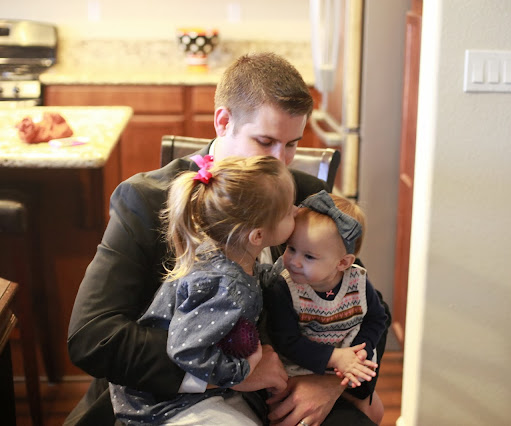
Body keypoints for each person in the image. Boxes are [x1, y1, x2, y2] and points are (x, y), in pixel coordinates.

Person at [65, 52, 390, 426]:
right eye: (265, 141)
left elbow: (364, 300)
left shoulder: (305, 195)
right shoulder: (146, 199)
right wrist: (228, 374)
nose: (280, 162)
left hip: (292, 382)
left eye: (291, 144)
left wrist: (331, 381)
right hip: (168, 398)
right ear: (223, 122)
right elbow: (94, 336)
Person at [109, 154, 296, 424]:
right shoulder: (224, 286)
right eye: (289, 211)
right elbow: (186, 350)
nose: (296, 212)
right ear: (257, 236)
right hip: (164, 402)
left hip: (199, 390)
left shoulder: (230, 256)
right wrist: (243, 371)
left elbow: (257, 280)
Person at [265, 191, 388, 425]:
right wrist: (334, 357)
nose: (294, 261)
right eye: (291, 248)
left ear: (343, 263)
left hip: (347, 363)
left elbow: (377, 318)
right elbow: (286, 341)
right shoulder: (285, 287)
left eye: (309, 256)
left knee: (374, 409)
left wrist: (359, 350)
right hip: (303, 368)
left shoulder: (357, 281)